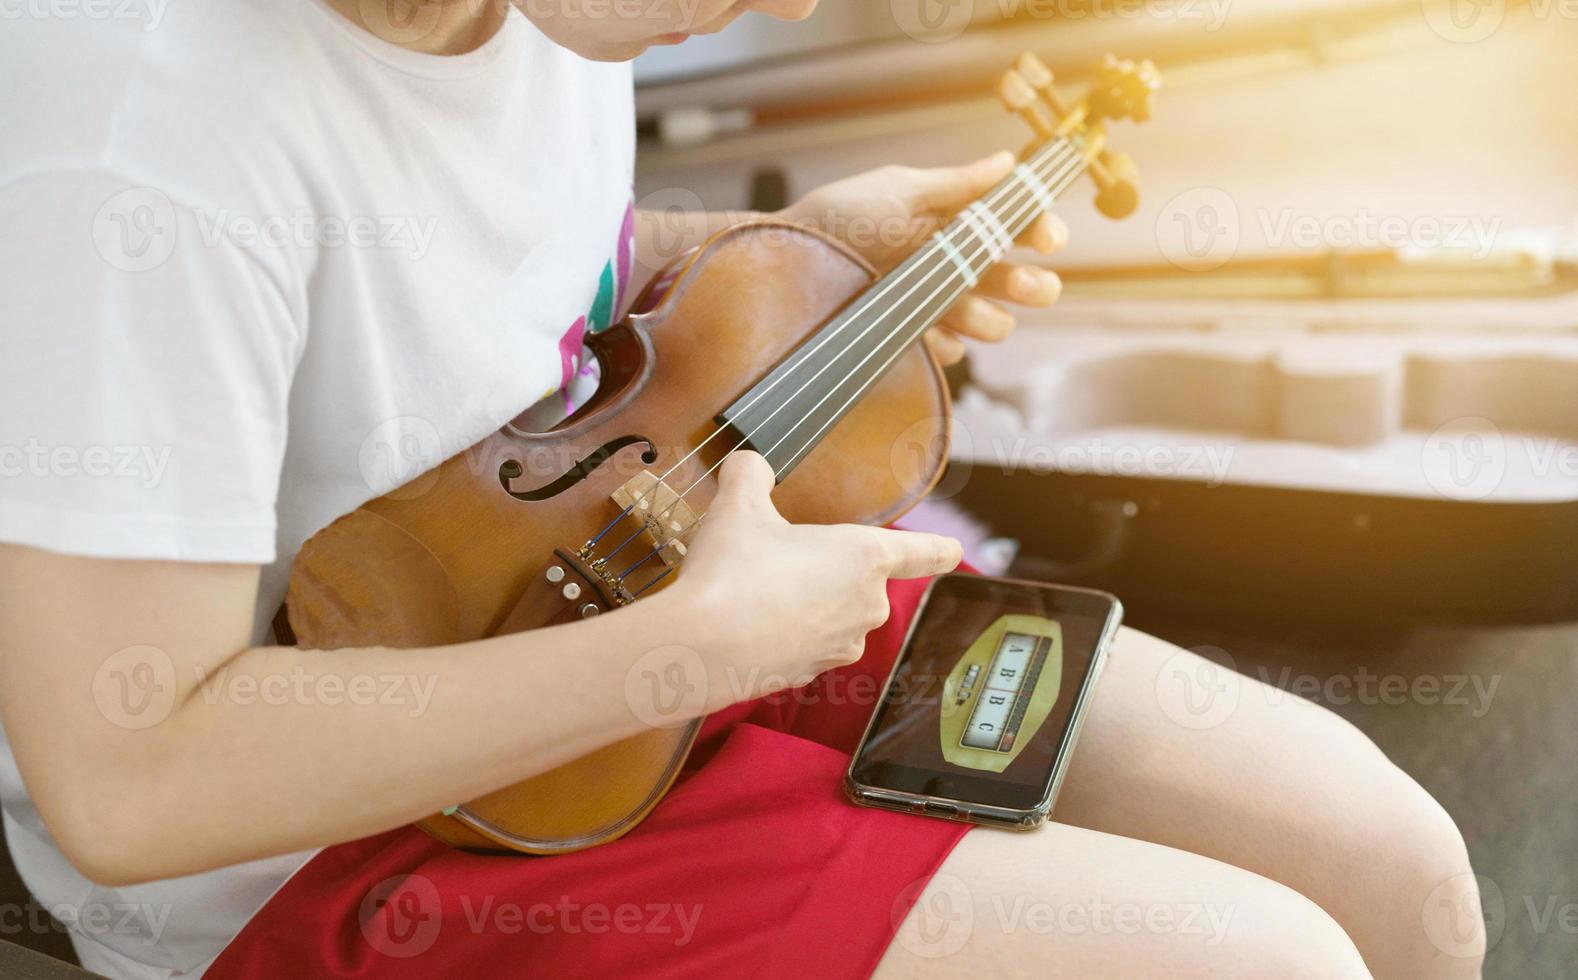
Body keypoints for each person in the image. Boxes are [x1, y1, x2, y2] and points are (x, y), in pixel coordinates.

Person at [0, 1, 1484, 977]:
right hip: (335, 831)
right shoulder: (138, 154)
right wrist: (689, 652)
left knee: (1383, 866)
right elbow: (130, 787)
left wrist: (752, 261)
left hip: (645, 558)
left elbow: (460, 275)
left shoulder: (532, 14)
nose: (779, 5)